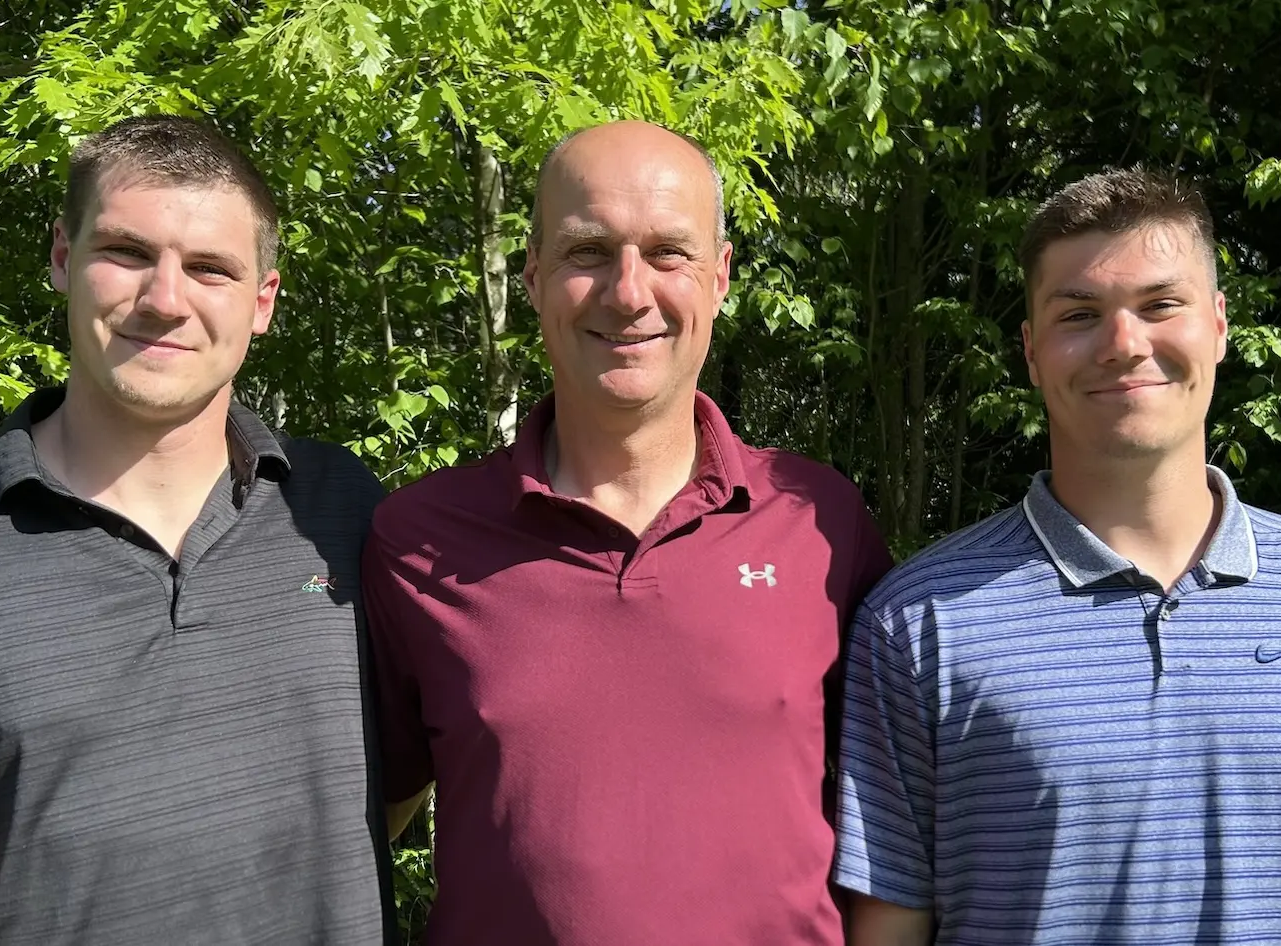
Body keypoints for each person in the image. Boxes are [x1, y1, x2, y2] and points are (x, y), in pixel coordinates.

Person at [0, 115, 393, 945]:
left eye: (209, 269)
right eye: (126, 253)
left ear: (261, 301)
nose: (164, 299)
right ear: (61, 258)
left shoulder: (346, 513)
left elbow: (396, 789)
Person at [834, 168, 1281, 946]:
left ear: (1216, 324)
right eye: (1079, 313)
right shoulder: (920, 620)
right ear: (1032, 351)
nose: (1122, 344)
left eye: (1159, 305)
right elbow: (889, 928)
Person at [362, 120, 893, 945]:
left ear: (719, 277)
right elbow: (362, 819)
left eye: (667, 253)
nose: (629, 291)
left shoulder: (820, 523)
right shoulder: (417, 541)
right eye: (587, 252)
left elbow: (891, 832)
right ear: (532, 277)